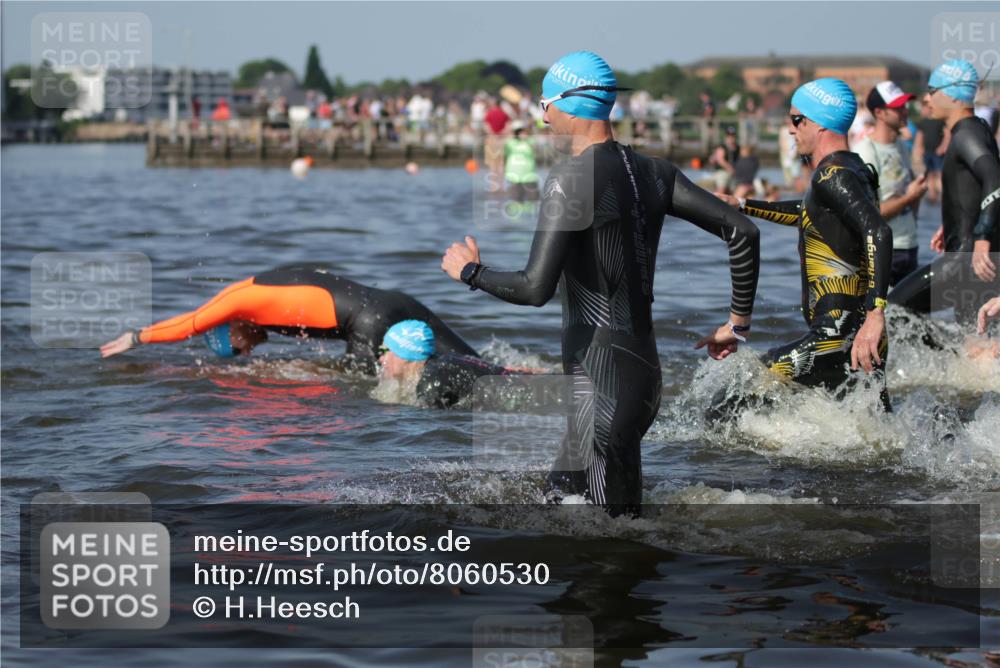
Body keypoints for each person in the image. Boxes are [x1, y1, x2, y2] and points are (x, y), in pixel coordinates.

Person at [441, 51, 760, 514]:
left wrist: (471, 273)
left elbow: (535, 288)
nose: (543, 115)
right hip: (641, 379)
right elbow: (743, 231)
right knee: (556, 505)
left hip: (604, 390)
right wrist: (738, 324)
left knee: (617, 549)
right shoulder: (657, 172)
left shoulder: (569, 178)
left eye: (544, 104)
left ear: (570, 104)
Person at [717, 78, 894, 412]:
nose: (790, 129)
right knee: (874, 432)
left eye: (797, 120)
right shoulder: (850, 168)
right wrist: (743, 205)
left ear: (821, 124)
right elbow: (809, 213)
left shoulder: (833, 177)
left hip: (838, 335)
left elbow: (879, 232)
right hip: (856, 336)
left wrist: (875, 315)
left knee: (731, 399)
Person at [99, 268, 478, 374]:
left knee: (365, 394)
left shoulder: (237, 299)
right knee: (481, 368)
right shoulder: (267, 297)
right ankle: (527, 377)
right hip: (393, 302)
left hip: (371, 320)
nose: (245, 351)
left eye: (236, 348)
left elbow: (190, 323)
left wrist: (136, 337)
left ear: (232, 327)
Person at [888, 60, 1000, 325]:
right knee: (974, 341)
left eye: (932, 90)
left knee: (893, 311)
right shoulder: (976, 129)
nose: (927, 99)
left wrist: (981, 237)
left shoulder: (966, 135)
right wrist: (951, 221)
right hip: (972, 257)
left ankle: (928, 364)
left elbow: (995, 179)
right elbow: (975, 188)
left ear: (952, 94)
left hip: (967, 259)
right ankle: (945, 364)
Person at [854, 81, 927, 285]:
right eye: (897, 108)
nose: (904, 111)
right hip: (881, 249)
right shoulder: (865, 152)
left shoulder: (901, 146)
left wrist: (915, 196)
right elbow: (869, 213)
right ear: (880, 113)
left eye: (904, 106)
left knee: (911, 316)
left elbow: (909, 196)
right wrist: (910, 197)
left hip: (908, 245)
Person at [376, 320, 536, 408]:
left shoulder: (431, 382)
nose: (380, 359)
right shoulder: (443, 361)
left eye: (384, 351)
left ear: (404, 354)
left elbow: (432, 429)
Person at [914, 98, 946, 203]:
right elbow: (919, 136)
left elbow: (947, 134)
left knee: (939, 173)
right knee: (930, 174)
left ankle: (943, 196)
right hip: (927, 151)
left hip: (938, 152)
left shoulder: (940, 120)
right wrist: (919, 148)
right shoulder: (923, 122)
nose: (922, 110)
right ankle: (932, 196)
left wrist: (943, 146)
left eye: (924, 108)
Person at [504, 120, 539, 203]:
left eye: (522, 130)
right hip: (514, 178)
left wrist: (526, 138)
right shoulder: (510, 142)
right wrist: (509, 133)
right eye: (517, 131)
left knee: (533, 202)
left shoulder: (530, 141)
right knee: (515, 202)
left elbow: (536, 150)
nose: (520, 133)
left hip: (530, 177)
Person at [708, 126, 740, 192]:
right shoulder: (722, 147)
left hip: (733, 174)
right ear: (726, 136)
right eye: (729, 136)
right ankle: (716, 199)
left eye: (733, 135)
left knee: (735, 189)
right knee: (722, 188)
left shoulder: (737, 148)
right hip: (722, 172)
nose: (731, 138)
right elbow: (720, 160)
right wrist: (730, 168)